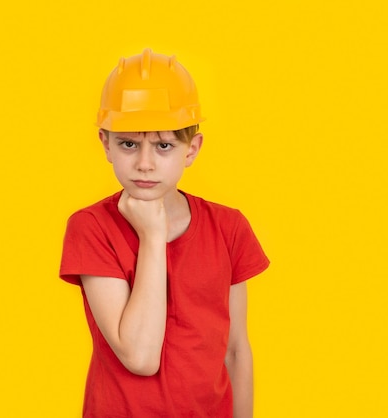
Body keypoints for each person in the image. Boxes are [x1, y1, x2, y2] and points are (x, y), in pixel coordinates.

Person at [59, 48, 269, 418]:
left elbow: (236, 350)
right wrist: (153, 236)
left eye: (163, 146)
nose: (144, 163)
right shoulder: (90, 228)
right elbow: (140, 356)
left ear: (192, 149)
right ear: (106, 144)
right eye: (128, 144)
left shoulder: (229, 228)